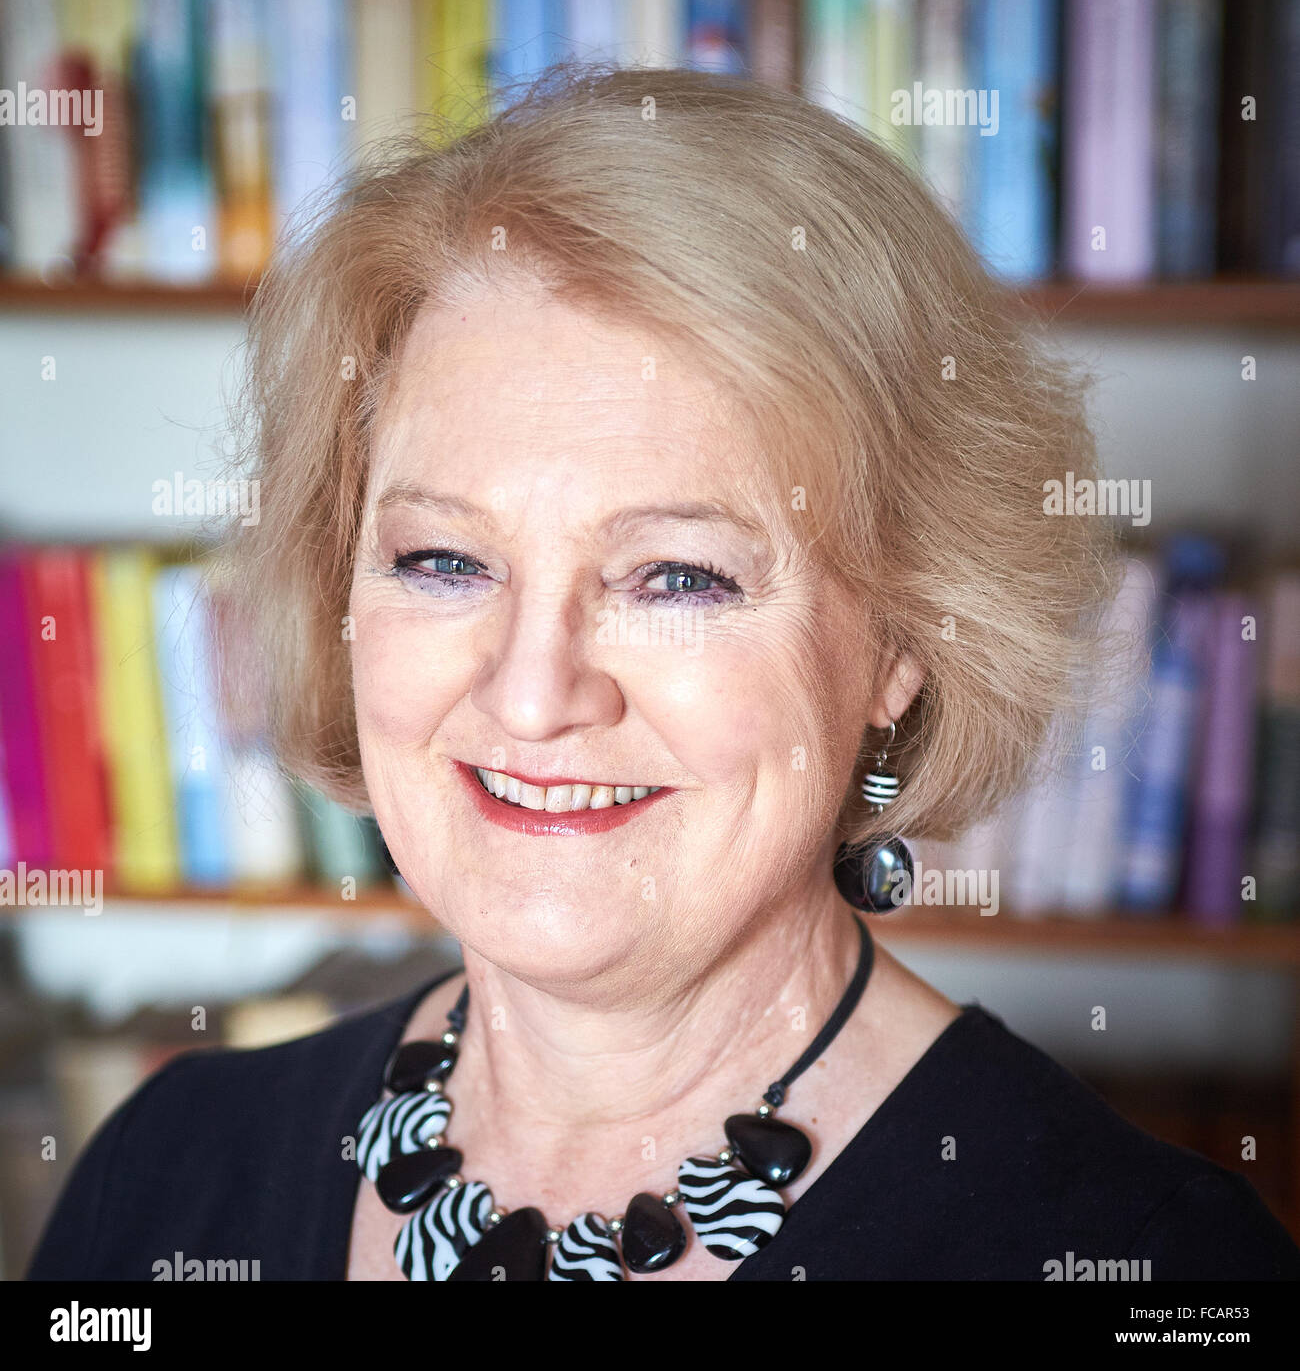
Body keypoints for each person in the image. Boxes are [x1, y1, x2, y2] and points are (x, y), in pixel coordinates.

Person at [28, 64, 1300, 1282]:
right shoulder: (166, 1166)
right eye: (442, 559)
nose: (531, 694)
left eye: (678, 577)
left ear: (903, 646)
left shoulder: (1154, 1265)